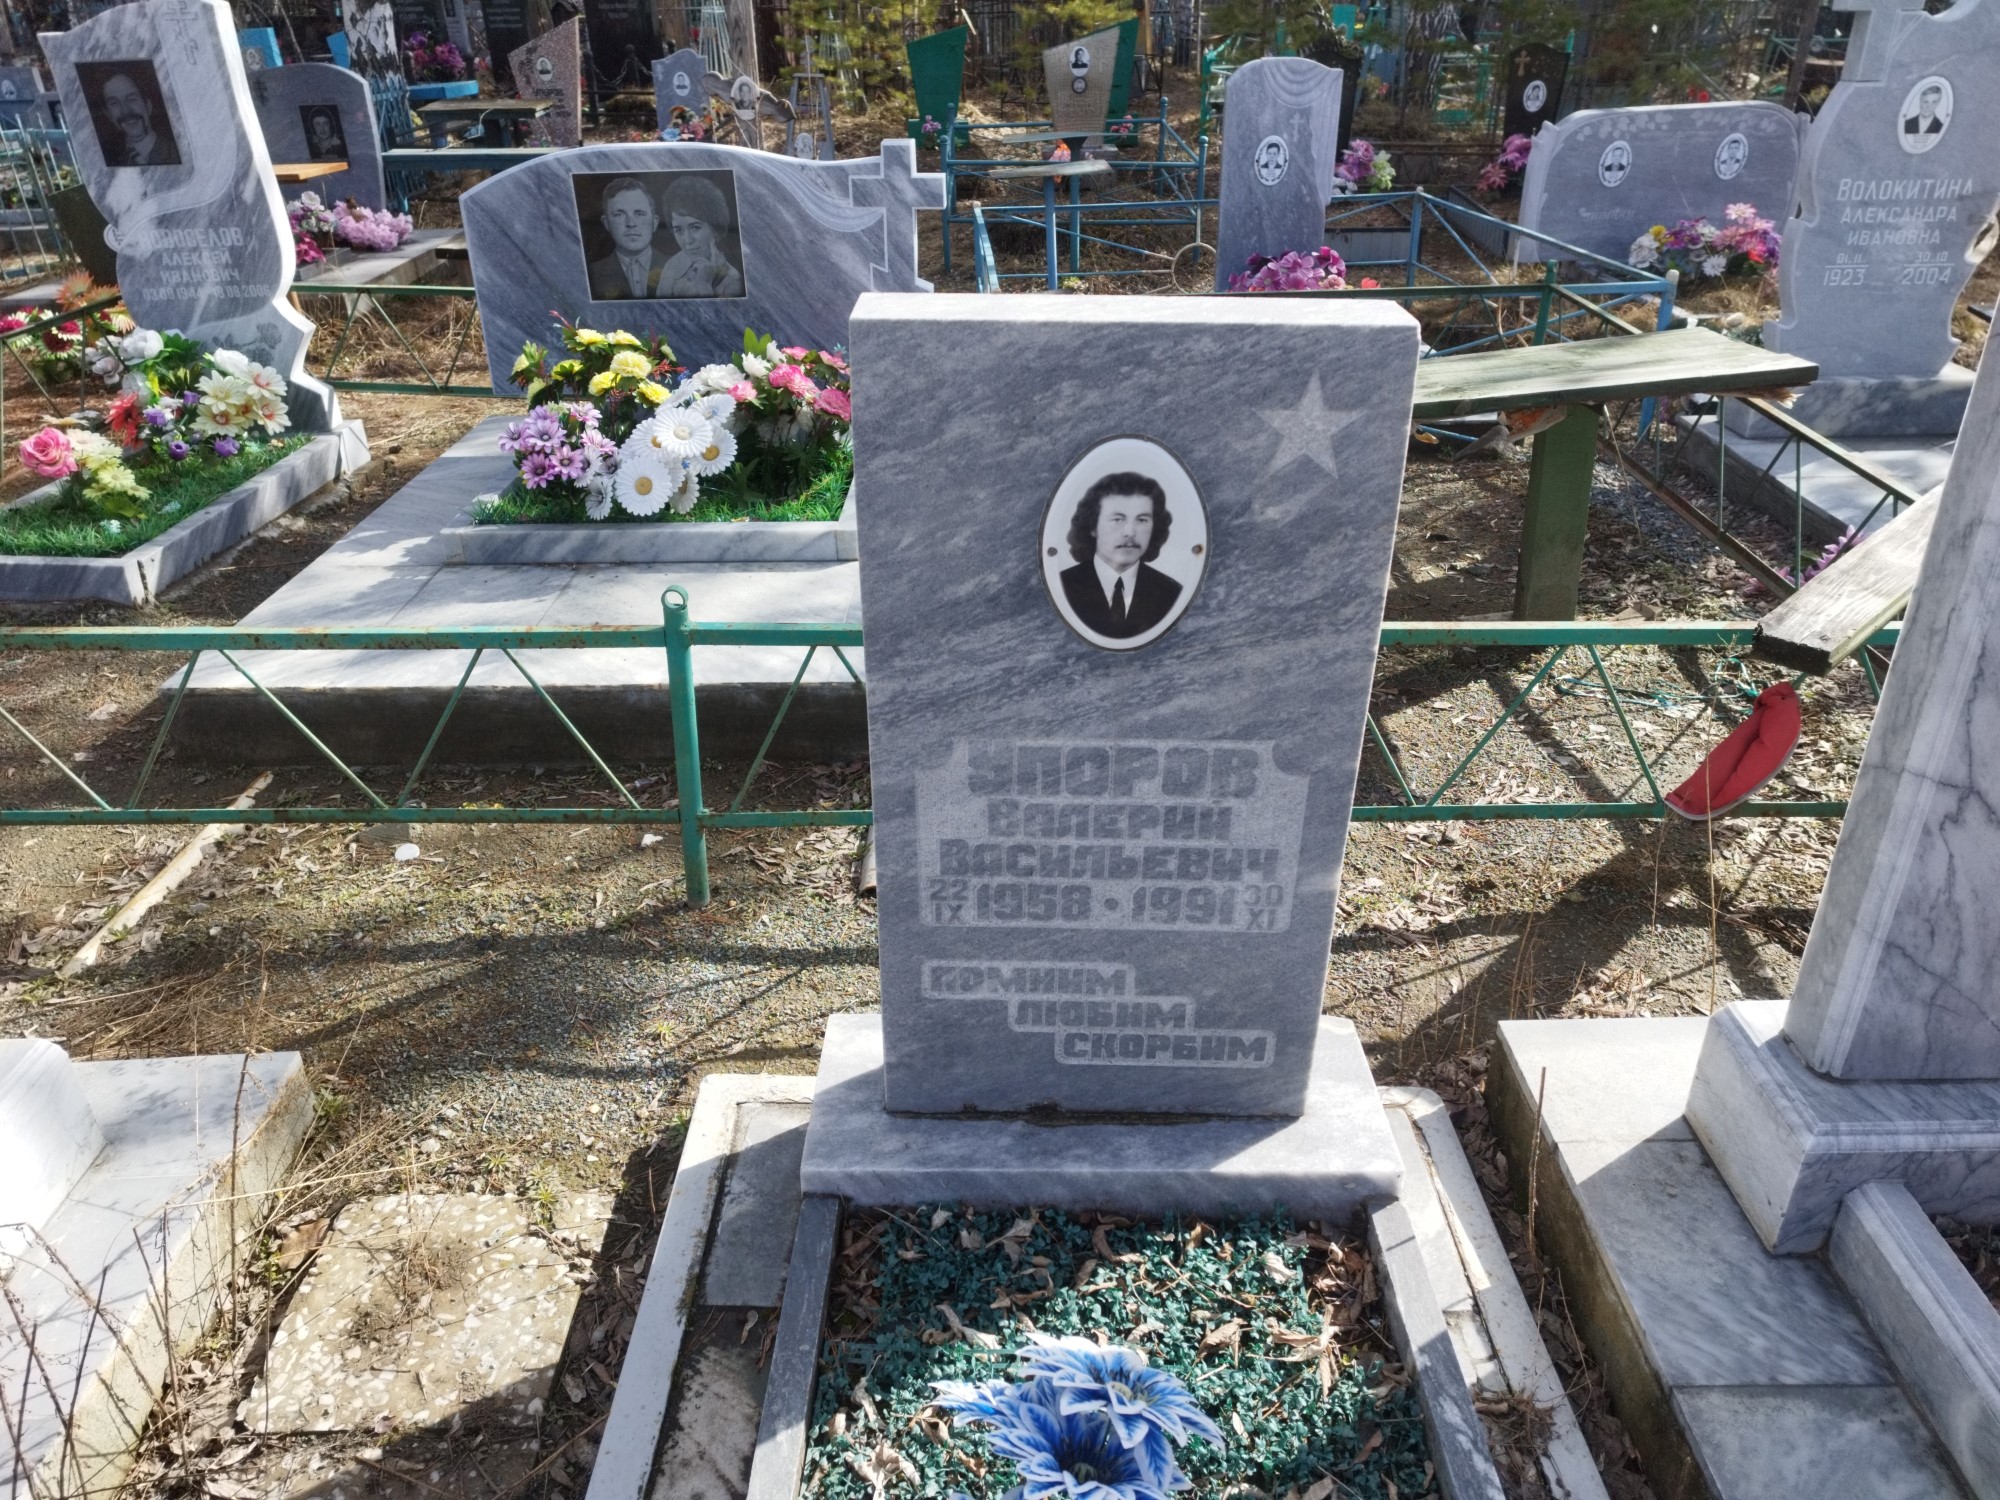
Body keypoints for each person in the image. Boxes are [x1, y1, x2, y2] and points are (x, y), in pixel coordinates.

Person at [1057, 472, 1182, 639]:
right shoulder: (1061, 588)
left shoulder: (1172, 593)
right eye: (1118, 519)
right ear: (1093, 526)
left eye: (1141, 520)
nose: (1130, 532)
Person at [656, 175, 743, 298]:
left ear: (715, 229)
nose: (687, 240)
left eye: (695, 227)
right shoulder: (673, 264)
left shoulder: (733, 282)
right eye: (679, 230)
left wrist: (705, 285)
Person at [587, 176, 666, 300]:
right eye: (619, 214)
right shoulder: (590, 274)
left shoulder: (680, 269)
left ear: (654, 222)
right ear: (606, 223)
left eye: (639, 213)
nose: (631, 223)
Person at [97, 70, 176, 167]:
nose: (125, 110)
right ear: (108, 115)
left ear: (148, 106)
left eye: (131, 99)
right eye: (114, 103)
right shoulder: (110, 162)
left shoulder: (174, 152)